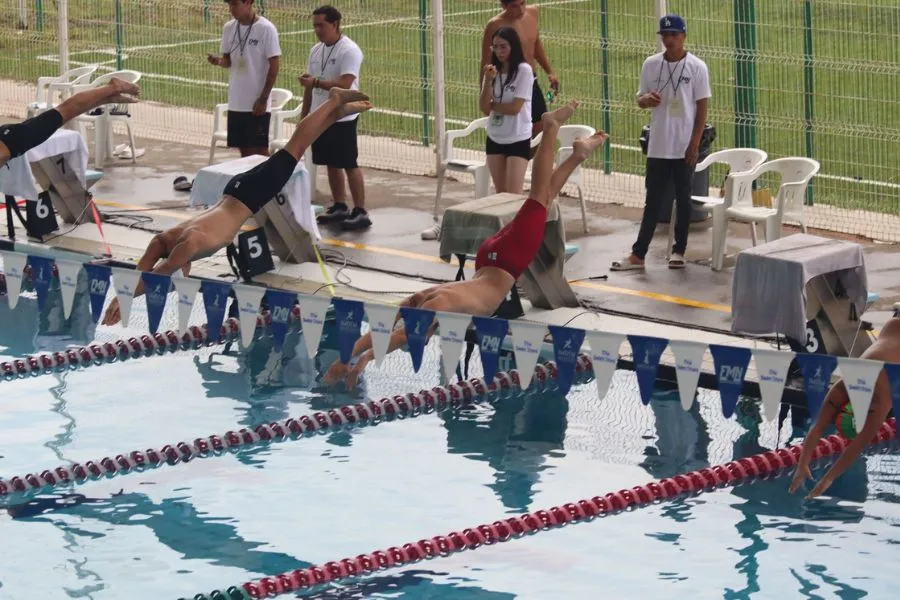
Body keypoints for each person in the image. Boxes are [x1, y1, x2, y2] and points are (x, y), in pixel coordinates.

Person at [324, 100, 609, 390]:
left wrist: (363, 360)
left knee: (539, 198)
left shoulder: (437, 303)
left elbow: (399, 335)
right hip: (491, 256)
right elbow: (388, 327)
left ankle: (550, 128)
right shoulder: (425, 295)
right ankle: (578, 155)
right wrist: (350, 354)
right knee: (542, 200)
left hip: (503, 260)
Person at [100, 88, 372, 326]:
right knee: (297, 146)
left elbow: (159, 273)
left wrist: (123, 300)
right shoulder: (167, 238)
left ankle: (333, 102)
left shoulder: (187, 243)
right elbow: (146, 266)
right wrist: (122, 294)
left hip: (249, 195)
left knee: (297, 146)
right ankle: (336, 114)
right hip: (236, 190)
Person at [610, 14, 710, 271]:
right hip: (659, 144)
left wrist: (694, 143)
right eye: (665, 35)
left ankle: (679, 250)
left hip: (684, 144)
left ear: (684, 36)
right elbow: (639, 97)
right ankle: (638, 254)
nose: (669, 40)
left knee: (684, 198)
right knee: (652, 200)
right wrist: (645, 100)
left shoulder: (697, 67)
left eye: (674, 35)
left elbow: (702, 108)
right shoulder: (651, 64)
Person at [789, 318, 899, 499]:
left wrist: (828, 477)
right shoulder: (847, 387)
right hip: (891, 329)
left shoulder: (879, 400)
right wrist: (803, 464)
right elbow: (817, 428)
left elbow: (857, 445)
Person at [301, 5, 371, 231]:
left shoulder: (349, 50)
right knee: (331, 162)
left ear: (335, 24)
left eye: (321, 25)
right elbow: (310, 84)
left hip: (342, 116)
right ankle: (339, 204)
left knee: (349, 162)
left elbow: (345, 83)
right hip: (321, 114)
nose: (317, 30)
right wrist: (305, 113)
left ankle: (360, 210)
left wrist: (316, 83)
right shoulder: (316, 50)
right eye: (315, 26)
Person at [0, 78, 140, 168]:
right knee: (65, 113)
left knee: (64, 112)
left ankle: (113, 88)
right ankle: (105, 98)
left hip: (10, 141)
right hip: (10, 142)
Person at [207, 0, 281, 158]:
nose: (231, 9)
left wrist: (263, 99)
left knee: (260, 150)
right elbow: (228, 61)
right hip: (237, 101)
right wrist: (218, 61)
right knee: (244, 149)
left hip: (256, 102)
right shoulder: (229, 28)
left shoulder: (266, 29)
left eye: (235, 4)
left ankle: (270, 182)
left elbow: (274, 67)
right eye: (229, 5)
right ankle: (249, 182)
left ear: (248, 2)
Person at [481, 0, 558, 139]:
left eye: (523, 3)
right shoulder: (495, 25)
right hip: (508, 84)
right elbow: (486, 61)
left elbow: (535, 43)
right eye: (515, 6)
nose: (521, 9)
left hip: (531, 81)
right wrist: (485, 95)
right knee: (513, 133)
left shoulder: (533, 13)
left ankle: (525, 160)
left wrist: (549, 71)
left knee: (540, 132)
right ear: (504, 5)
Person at [480, 27, 533, 195]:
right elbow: (483, 108)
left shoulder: (524, 70)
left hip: (517, 138)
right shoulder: (492, 71)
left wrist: (494, 105)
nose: (499, 51)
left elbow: (514, 108)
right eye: (495, 47)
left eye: (503, 46)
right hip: (495, 137)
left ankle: (518, 222)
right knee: (500, 194)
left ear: (513, 46)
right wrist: (488, 80)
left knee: (513, 195)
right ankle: (504, 223)